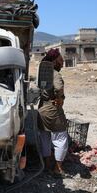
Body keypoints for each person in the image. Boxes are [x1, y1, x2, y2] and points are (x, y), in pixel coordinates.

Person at [38, 48, 69, 176]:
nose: (62, 63)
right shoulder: (55, 73)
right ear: (55, 60)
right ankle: (58, 168)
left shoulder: (43, 72)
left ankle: (46, 165)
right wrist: (59, 98)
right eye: (61, 60)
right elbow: (59, 87)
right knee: (60, 137)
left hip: (42, 109)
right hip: (52, 109)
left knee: (45, 137)